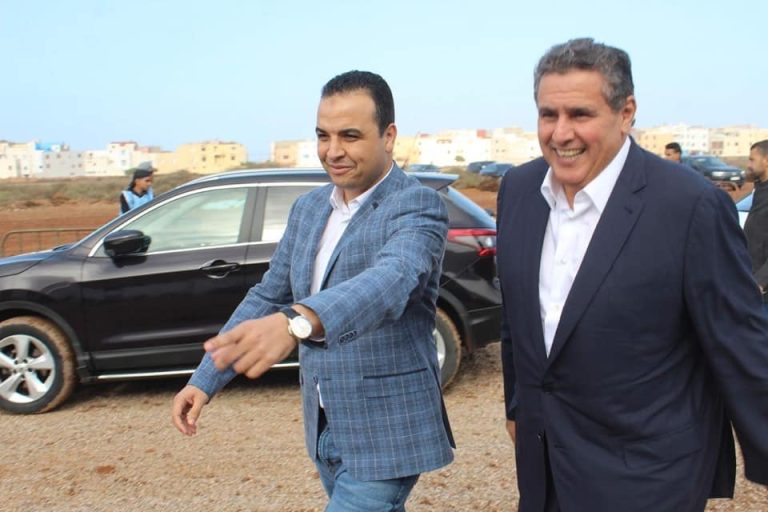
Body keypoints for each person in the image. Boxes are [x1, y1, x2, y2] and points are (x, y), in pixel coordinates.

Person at [496, 37, 768, 512]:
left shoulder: (689, 206)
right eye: (548, 115)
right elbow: (518, 317)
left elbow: (740, 341)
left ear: (626, 113)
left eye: (580, 114)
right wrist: (519, 404)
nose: (560, 133)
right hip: (543, 471)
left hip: (649, 476)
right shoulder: (518, 190)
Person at [171, 70, 454, 511]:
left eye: (350, 136)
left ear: (388, 136)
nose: (333, 151)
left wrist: (297, 322)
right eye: (323, 135)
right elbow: (269, 296)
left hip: (388, 431)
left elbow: (392, 278)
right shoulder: (309, 208)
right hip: (325, 426)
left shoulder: (416, 205)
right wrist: (205, 378)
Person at [744, 139, 768, 314]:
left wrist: (760, 282)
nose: (748, 165)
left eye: (752, 160)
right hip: (750, 286)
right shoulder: (760, 190)